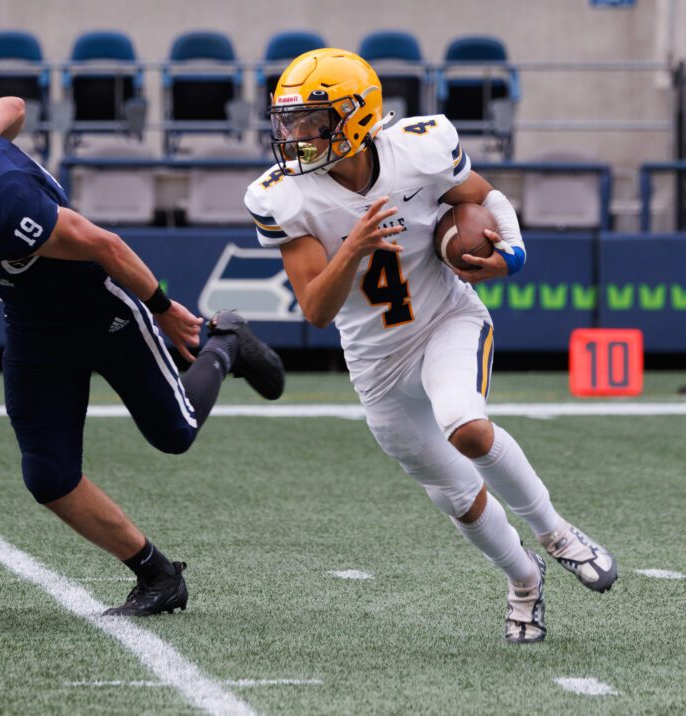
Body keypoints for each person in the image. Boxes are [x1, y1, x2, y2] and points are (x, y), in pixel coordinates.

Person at [0, 88, 286, 616]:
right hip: (34, 323)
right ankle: (157, 576)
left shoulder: (4, 202)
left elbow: (103, 244)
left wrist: (164, 307)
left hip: (96, 310)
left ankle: (224, 343)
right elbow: (13, 105)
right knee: (48, 475)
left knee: (174, 433)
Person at [247, 49, 616, 643]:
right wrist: (353, 246)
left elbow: (484, 196)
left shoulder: (418, 148)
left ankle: (554, 531)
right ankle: (525, 580)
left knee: (465, 424)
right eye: (289, 121)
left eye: (314, 120)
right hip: (375, 361)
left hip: (446, 318)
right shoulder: (285, 196)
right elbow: (316, 310)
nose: (296, 135)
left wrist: (512, 254)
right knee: (458, 496)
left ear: (357, 117)